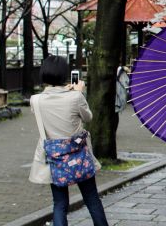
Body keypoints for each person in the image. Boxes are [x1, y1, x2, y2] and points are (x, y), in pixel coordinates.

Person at [29, 55, 108, 226]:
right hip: (78, 155)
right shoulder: (75, 97)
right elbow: (88, 117)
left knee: (59, 204)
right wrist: (78, 92)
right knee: (92, 199)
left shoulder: (35, 100)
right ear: (65, 75)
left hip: (55, 156)